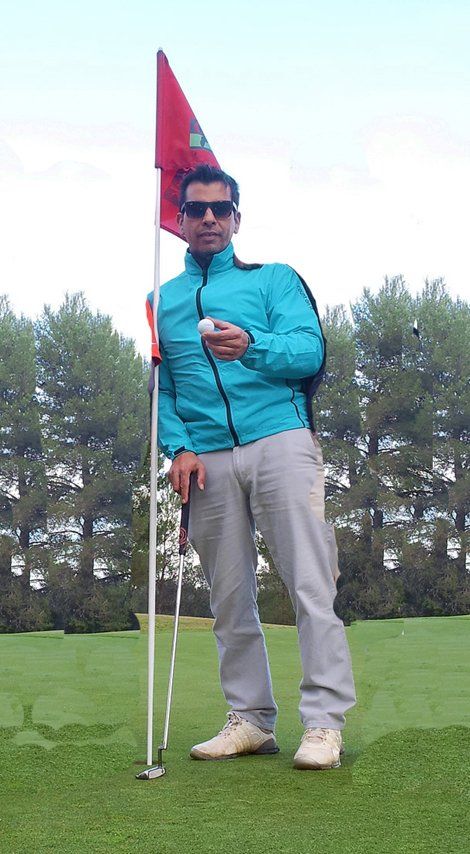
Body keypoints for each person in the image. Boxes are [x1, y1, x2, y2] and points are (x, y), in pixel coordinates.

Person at [149, 164, 356, 770]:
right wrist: (178, 448)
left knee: (311, 586)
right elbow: (164, 390)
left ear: (237, 219)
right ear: (180, 220)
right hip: (206, 458)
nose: (209, 218)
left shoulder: (274, 279)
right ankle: (251, 720)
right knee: (229, 597)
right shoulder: (161, 301)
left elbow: (309, 350)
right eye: (196, 209)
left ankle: (323, 725)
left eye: (221, 209)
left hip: (280, 441)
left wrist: (253, 347)